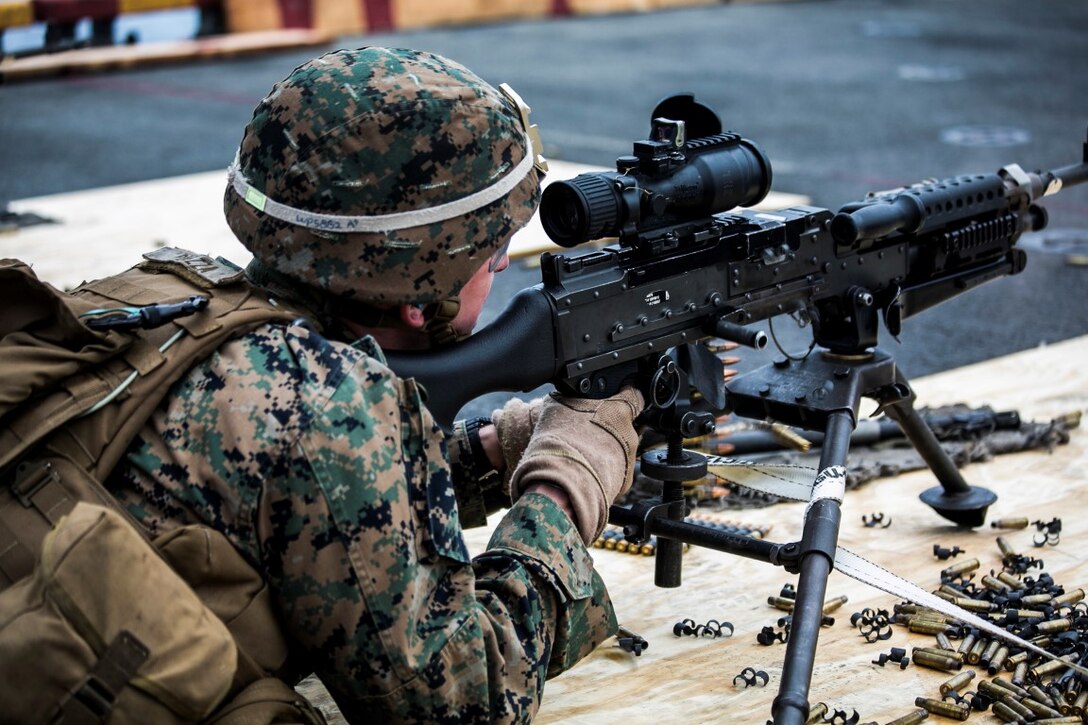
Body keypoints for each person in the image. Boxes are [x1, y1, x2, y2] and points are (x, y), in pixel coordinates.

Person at [102, 47, 644, 722]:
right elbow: (463, 702)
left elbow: (308, 508)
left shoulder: (175, 308)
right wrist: (564, 487)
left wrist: (485, 450)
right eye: (494, 246)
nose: (506, 260)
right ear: (419, 296)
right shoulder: (327, 407)